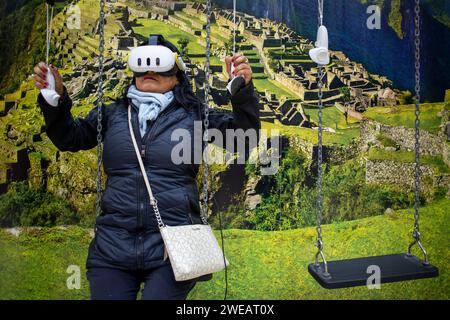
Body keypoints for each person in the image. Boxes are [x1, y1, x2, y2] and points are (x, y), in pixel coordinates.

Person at [33, 35, 260, 300]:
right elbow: (68, 138)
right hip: (113, 249)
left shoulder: (194, 116)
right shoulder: (112, 114)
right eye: (142, 66)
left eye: (160, 65)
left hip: (173, 251)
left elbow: (244, 139)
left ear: (177, 74)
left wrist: (241, 92)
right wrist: (56, 99)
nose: (150, 72)